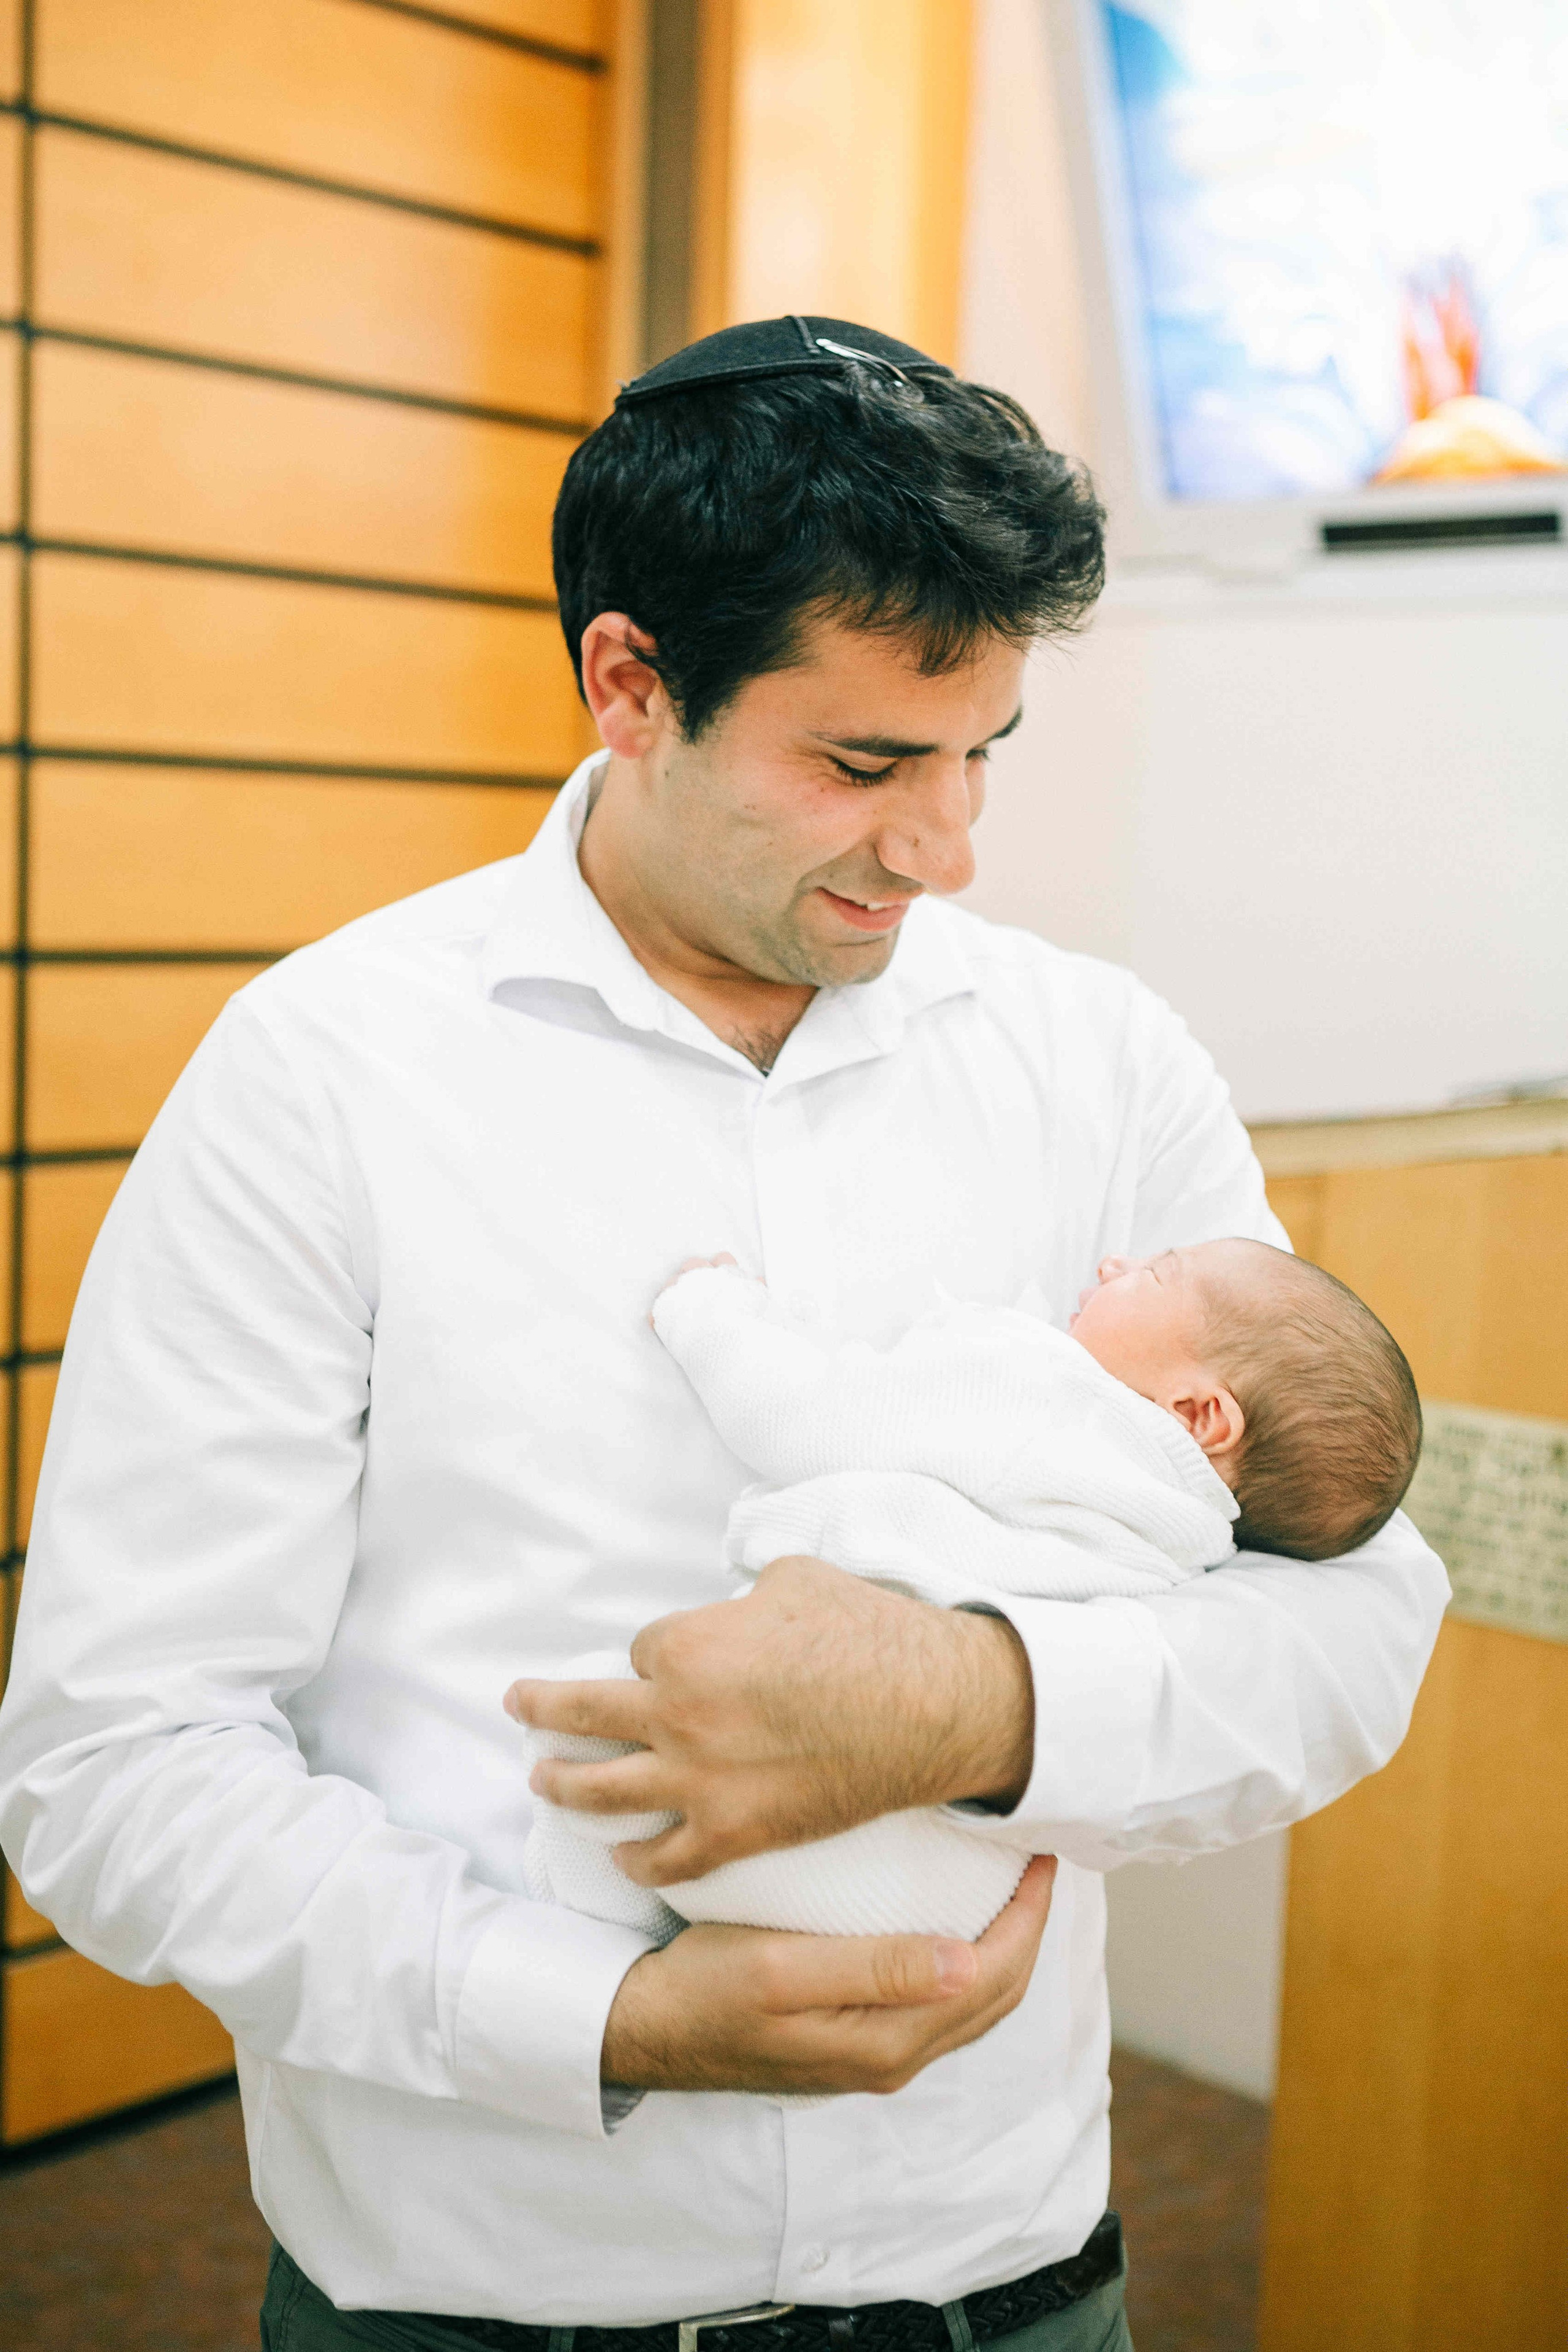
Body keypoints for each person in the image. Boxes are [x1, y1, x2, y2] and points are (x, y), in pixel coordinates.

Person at [0, 318, 1447, 2352]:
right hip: (483, 2302)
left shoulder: (1100, 1063)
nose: (945, 848)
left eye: (980, 755)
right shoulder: (320, 1077)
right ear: (629, 684)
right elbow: (119, 1764)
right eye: (863, 766)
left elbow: (1349, 1617)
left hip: (1008, 2287)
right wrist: (601, 2013)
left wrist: (979, 1702)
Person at [522, 1238, 1423, 1949]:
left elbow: (805, 1418)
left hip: (767, 1789)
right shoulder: (1191, 1544)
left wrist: (709, 1307)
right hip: (953, 1895)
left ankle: (596, 1920)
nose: (1114, 1265)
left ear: (1199, 1414)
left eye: (1155, 1274)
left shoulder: (1051, 1401)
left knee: (592, 1717)